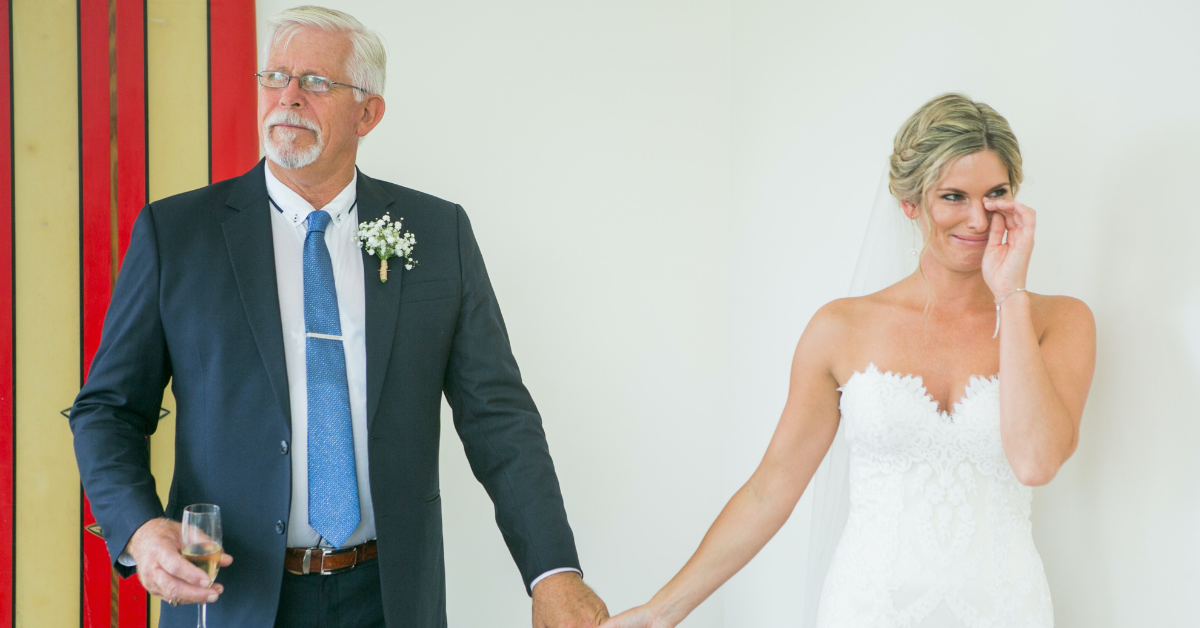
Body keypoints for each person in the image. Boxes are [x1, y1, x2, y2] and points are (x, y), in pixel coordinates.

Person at [68, 6, 608, 628]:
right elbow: (108, 410)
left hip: (390, 598)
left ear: (368, 113)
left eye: (316, 83)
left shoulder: (437, 234)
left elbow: (499, 417)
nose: (289, 97)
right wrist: (138, 528)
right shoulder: (177, 234)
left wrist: (553, 572)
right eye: (275, 77)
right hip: (230, 598)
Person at [602, 93, 1096, 627]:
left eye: (996, 194)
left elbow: (1035, 462)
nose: (978, 219)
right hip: (868, 609)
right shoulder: (839, 329)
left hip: (1005, 609)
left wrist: (1012, 296)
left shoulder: (1060, 322)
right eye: (953, 196)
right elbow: (771, 488)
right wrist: (660, 613)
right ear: (910, 203)